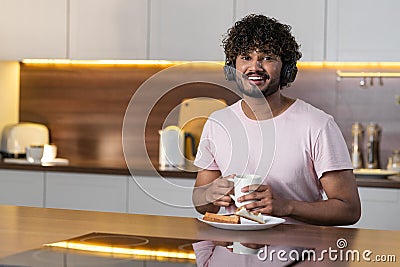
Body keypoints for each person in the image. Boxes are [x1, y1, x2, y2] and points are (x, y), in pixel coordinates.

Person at [191, 14, 361, 226]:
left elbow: (349, 209)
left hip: (297, 254)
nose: (255, 67)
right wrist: (209, 195)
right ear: (232, 68)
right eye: (245, 57)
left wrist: (287, 206)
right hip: (232, 250)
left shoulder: (317, 125)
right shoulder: (218, 123)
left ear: (287, 69)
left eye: (267, 57)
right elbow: (200, 202)